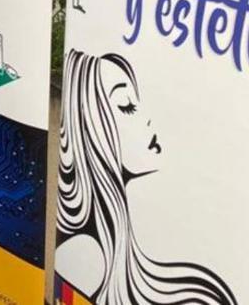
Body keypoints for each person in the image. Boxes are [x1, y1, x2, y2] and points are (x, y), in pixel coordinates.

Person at [56, 49, 236, 304]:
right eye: (127, 106)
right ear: (90, 126)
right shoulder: (87, 253)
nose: (147, 119)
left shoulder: (122, 245)